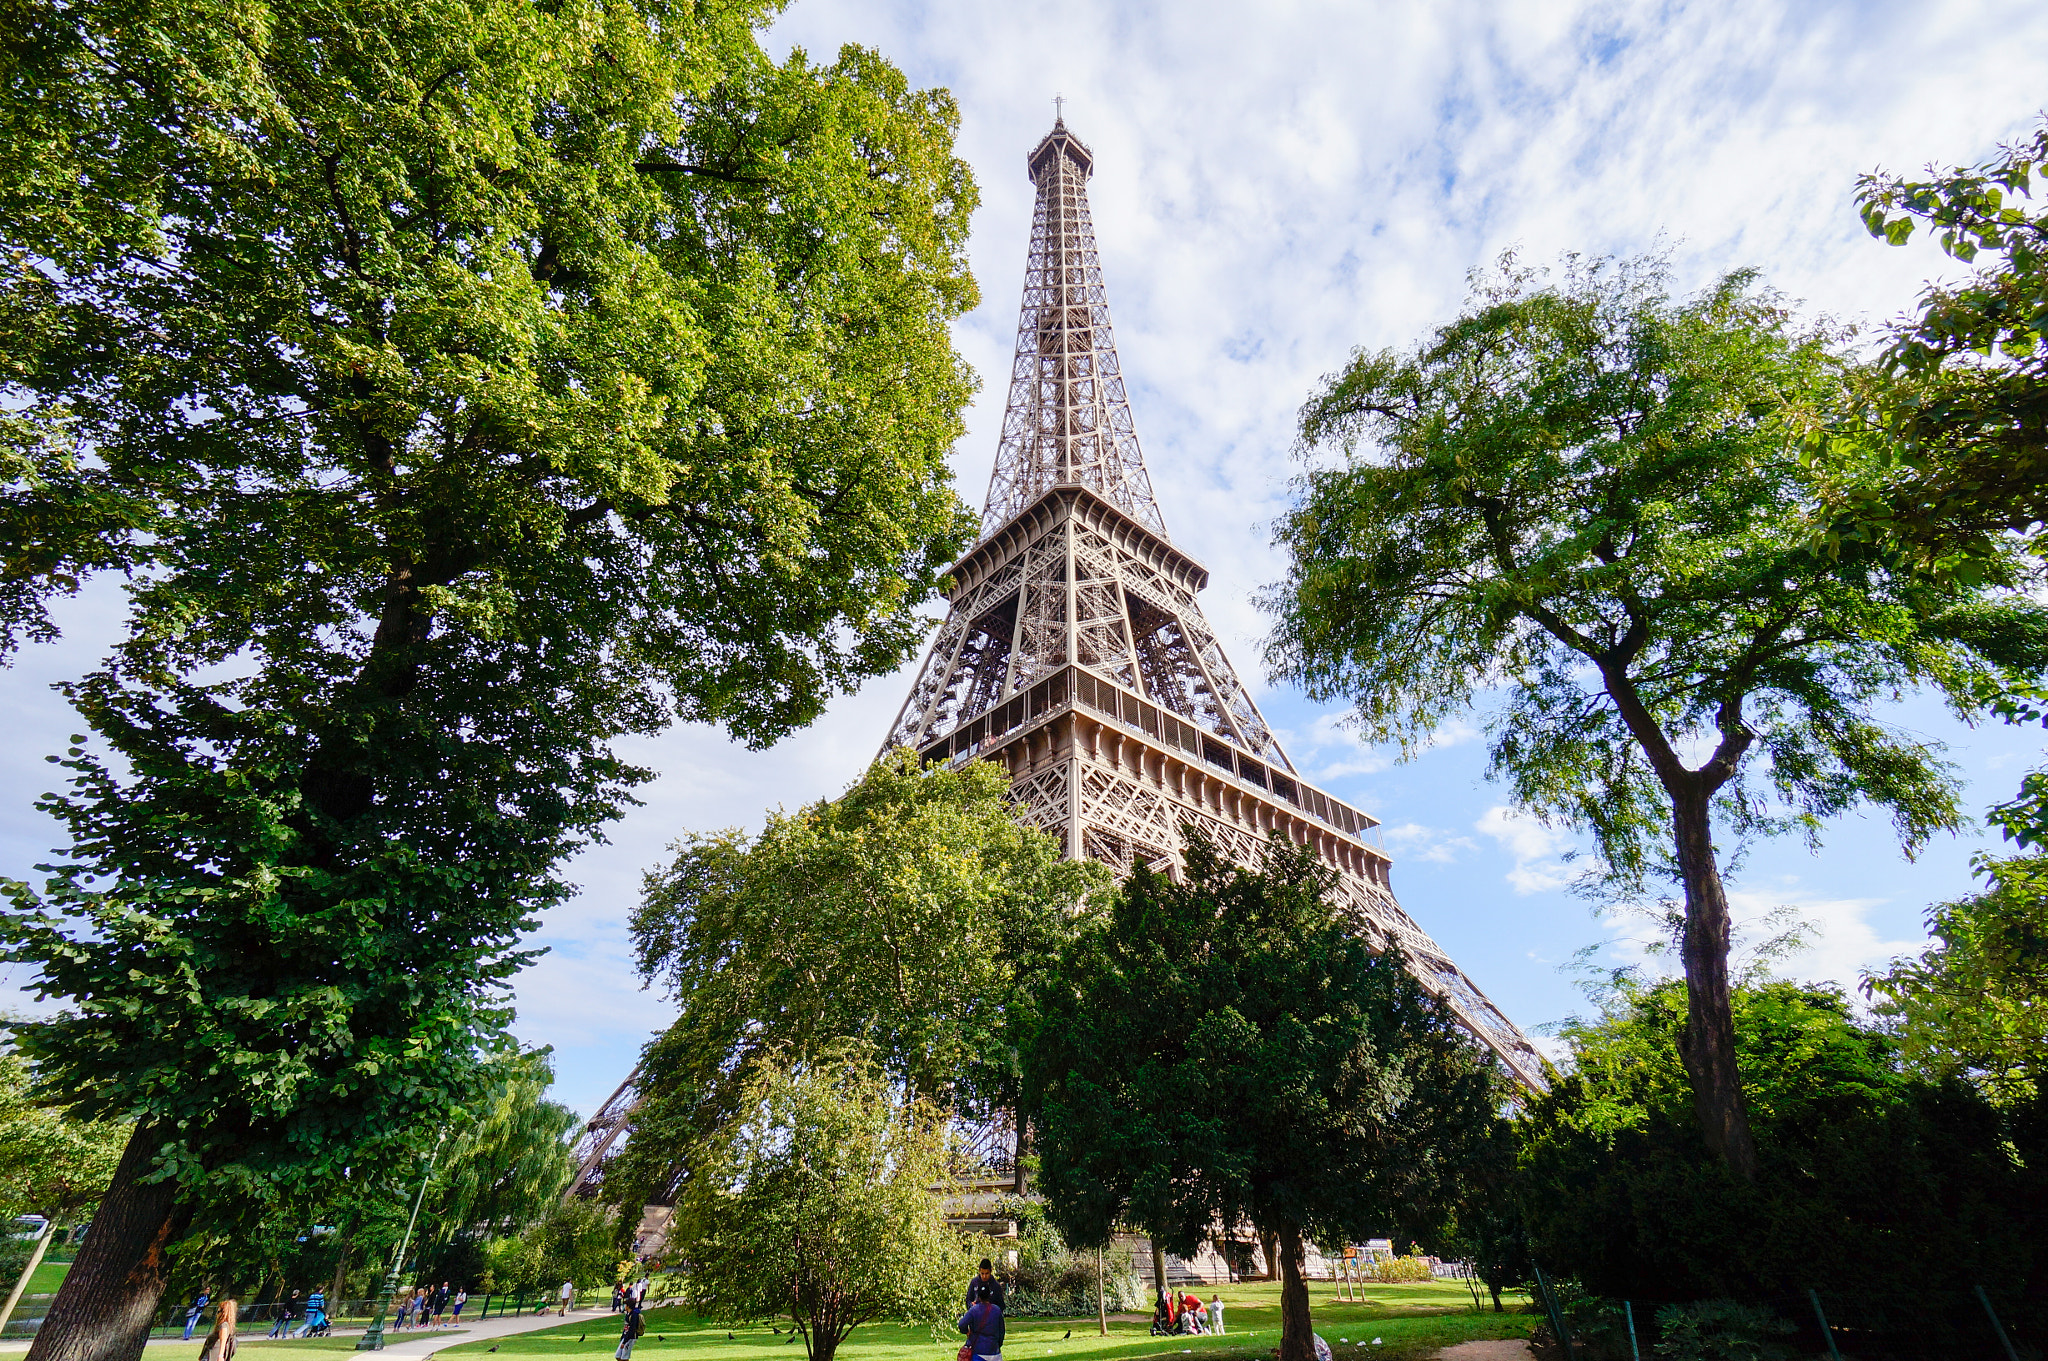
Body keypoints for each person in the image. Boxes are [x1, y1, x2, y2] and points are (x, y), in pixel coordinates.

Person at [957, 1292, 1004, 1361]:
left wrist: (967, 1332)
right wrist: (997, 1344)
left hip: (978, 1350)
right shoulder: (997, 1310)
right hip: (994, 1350)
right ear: (990, 1295)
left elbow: (962, 1324)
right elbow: (1001, 1331)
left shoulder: (974, 1310)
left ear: (978, 1296)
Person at [197, 1296, 238, 1361]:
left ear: (224, 1313)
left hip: (213, 1356)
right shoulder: (226, 1325)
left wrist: (220, 1355)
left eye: (219, 1312)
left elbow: (223, 1340)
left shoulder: (223, 1325)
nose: (217, 1314)